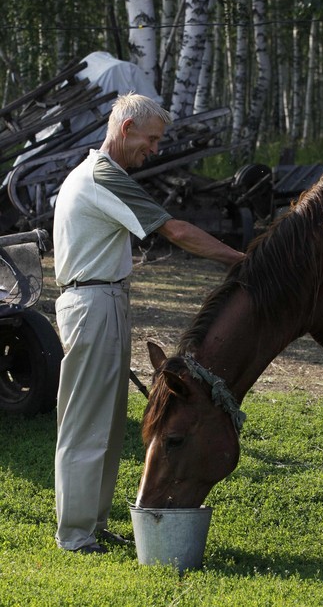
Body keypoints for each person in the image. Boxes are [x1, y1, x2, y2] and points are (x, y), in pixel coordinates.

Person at [53, 93, 244, 554]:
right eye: (151, 139)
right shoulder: (103, 175)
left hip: (104, 298)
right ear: (125, 129)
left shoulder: (102, 174)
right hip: (93, 301)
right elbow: (175, 230)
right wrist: (244, 261)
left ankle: (92, 526)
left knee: (105, 422)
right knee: (85, 424)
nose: (154, 149)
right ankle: (75, 535)